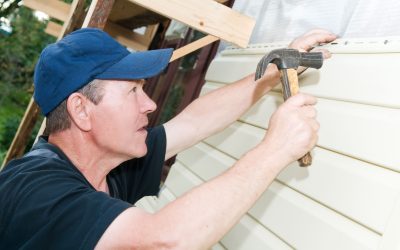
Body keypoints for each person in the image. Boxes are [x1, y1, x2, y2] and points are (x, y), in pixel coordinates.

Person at [0, 28, 336, 249]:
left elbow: (193, 122)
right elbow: (163, 242)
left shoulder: (106, 168)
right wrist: (275, 150)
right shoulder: (32, 189)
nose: (150, 104)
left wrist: (274, 71)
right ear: (82, 110)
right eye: (133, 90)